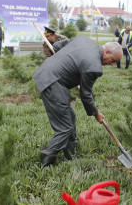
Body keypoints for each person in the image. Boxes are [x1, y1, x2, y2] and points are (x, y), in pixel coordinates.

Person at [33, 37, 123, 167]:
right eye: (113, 61)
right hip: (52, 83)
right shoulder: (94, 67)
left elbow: (57, 45)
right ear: (108, 52)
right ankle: (47, 157)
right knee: (65, 127)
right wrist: (95, 113)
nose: (113, 64)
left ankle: (70, 153)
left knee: (70, 116)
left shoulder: (84, 41)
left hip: (49, 76)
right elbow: (86, 95)